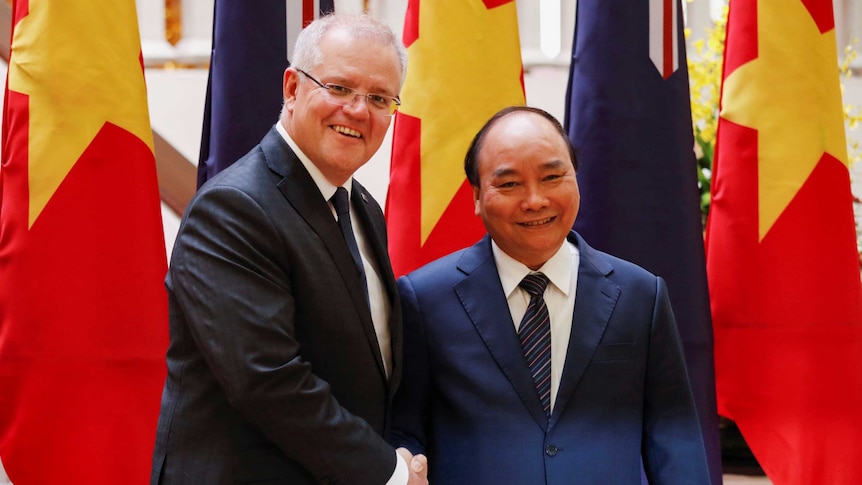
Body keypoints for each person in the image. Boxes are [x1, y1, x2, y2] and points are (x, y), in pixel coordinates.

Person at [151, 13, 427, 485]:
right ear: (293, 88)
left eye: (380, 98)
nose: (359, 111)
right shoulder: (234, 209)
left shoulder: (362, 206)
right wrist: (389, 473)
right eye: (339, 88)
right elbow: (268, 380)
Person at [390, 106, 710, 484]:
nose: (535, 200)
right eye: (509, 184)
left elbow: (674, 434)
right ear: (477, 196)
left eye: (552, 177)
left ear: (576, 178)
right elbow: (403, 429)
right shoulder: (424, 298)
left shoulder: (641, 295)